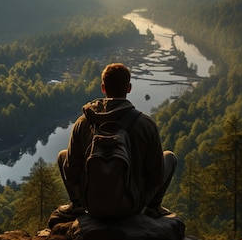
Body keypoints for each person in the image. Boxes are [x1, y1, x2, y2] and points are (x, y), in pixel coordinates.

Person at [53, 62, 177, 223]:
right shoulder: (145, 124)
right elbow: (157, 177)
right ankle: (153, 208)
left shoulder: (83, 122)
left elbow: (71, 173)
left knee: (63, 156)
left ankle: (76, 205)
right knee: (169, 157)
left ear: (103, 87)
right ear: (129, 88)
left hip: (91, 204)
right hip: (131, 205)